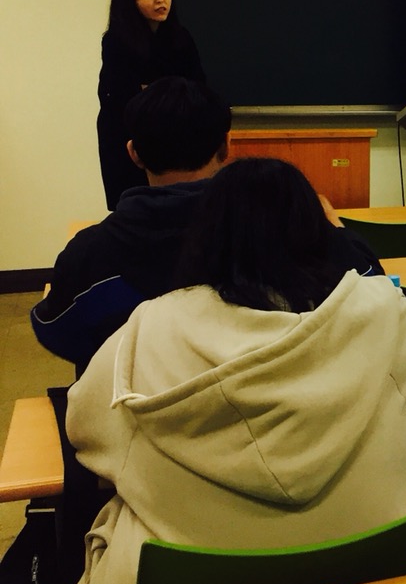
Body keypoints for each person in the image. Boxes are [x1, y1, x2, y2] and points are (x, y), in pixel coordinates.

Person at [53, 158, 406, 584]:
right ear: (318, 231)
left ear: (206, 235)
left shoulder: (149, 330)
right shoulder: (382, 309)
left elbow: (84, 425)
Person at [32, 77, 382, 374]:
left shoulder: (90, 253)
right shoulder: (285, 228)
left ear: (133, 153)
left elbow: (58, 332)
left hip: (142, 421)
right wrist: (336, 230)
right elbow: (372, 288)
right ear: (227, 146)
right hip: (279, 411)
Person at [97, 0, 206, 209]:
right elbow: (119, 95)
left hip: (176, 129)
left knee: (178, 203)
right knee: (133, 205)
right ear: (130, 2)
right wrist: (172, 91)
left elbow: (198, 87)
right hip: (126, 133)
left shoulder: (181, 38)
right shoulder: (116, 41)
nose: (160, 0)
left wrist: (152, 90)